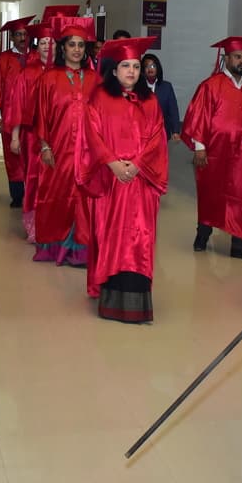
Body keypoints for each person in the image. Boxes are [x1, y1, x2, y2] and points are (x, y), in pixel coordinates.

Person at [78, 37, 167, 323]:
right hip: (111, 182)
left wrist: (138, 165)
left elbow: (157, 139)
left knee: (139, 239)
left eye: (136, 66)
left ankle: (137, 304)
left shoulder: (150, 102)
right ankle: (111, 300)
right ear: (114, 71)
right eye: (125, 66)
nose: (132, 71)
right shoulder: (100, 98)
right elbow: (92, 135)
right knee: (112, 236)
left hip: (140, 184)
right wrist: (114, 164)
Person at [181, 36, 242, 261]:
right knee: (211, 195)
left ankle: (240, 245)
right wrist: (199, 147)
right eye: (237, 57)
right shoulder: (211, 86)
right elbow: (199, 116)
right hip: (215, 152)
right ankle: (203, 235)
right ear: (226, 58)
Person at [32, 21, 100, 266]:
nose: (77, 50)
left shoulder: (95, 79)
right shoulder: (49, 78)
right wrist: (45, 146)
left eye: (81, 45)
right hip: (58, 149)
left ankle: (80, 251)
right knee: (57, 197)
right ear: (62, 48)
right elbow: (41, 114)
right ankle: (54, 248)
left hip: (88, 152)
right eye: (72, 45)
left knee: (84, 200)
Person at [5, 19, 56, 242]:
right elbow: (16, 105)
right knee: (34, 179)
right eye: (43, 42)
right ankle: (35, 226)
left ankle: (56, 224)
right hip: (32, 135)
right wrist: (15, 137)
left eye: (51, 41)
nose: (46, 45)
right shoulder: (27, 72)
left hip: (58, 136)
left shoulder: (63, 72)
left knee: (56, 180)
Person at [0, 14, 34, 207]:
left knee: (32, 155)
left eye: (25, 34)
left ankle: (32, 194)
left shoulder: (37, 57)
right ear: (12, 38)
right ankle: (17, 195)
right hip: (10, 116)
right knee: (13, 156)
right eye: (18, 35)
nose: (22, 38)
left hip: (33, 119)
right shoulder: (4, 60)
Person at [141, 53, 180, 140]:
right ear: (143, 70)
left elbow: (173, 109)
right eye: (147, 66)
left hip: (161, 132)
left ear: (158, 68)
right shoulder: (138, 87)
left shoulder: (166, 86)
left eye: (153, 66)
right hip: (142, 133)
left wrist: (175, 130)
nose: (150, 69)